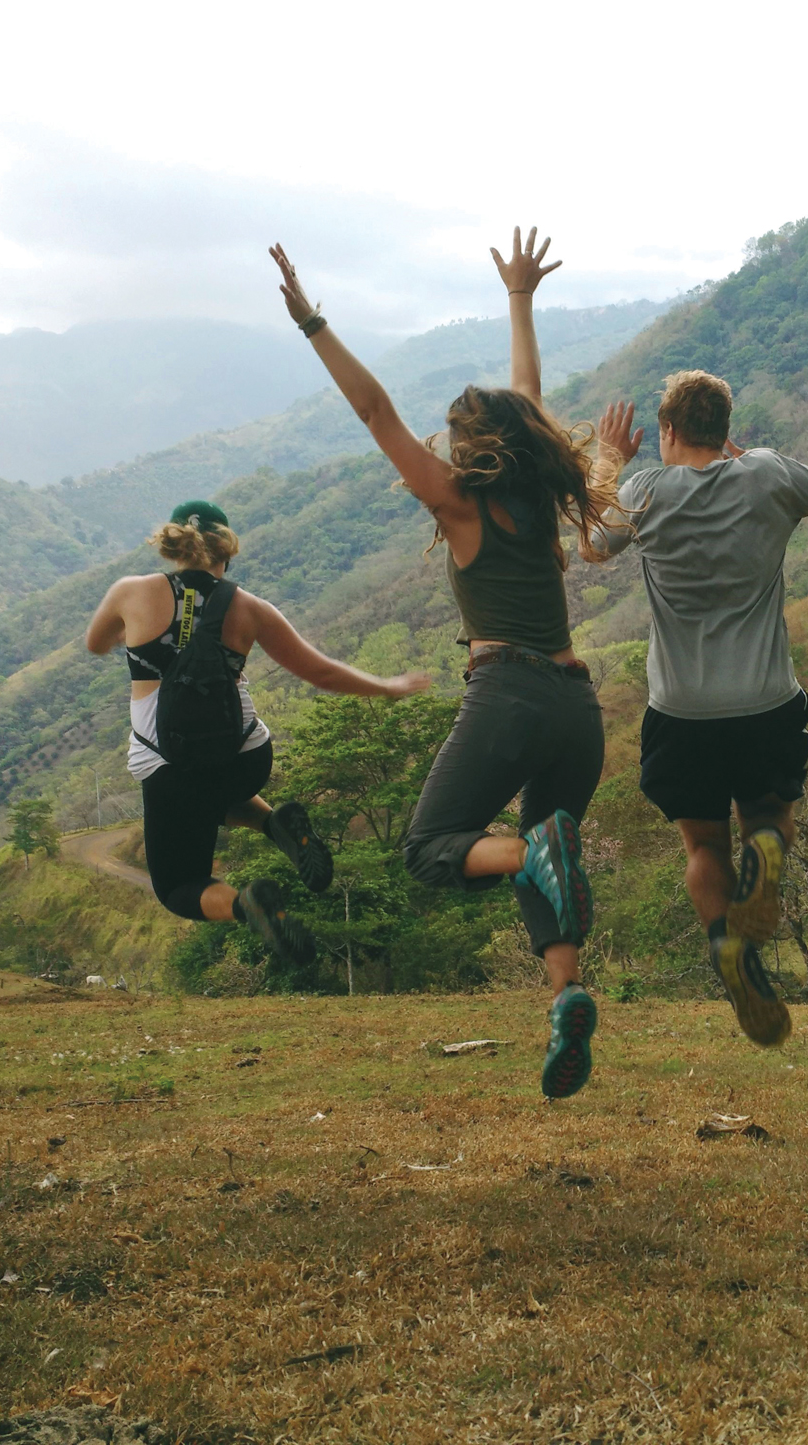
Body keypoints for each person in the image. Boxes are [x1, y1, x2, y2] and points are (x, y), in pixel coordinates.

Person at [269, 229, 615, 1099]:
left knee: (431, 849)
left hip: (508, 696)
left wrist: (313, 324)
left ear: (471, 446)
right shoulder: (539, 497)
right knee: (548, 872)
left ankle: (538, 851)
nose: (447, 441)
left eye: (457, 432)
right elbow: (528, 395)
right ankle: (567, 998)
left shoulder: (460, 505)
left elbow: (375, 412)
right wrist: (521, 300)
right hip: (578, 710)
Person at [586, 371, 808, 1047]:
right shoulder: (768, 475)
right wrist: (758, 463)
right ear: (725, 427)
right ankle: (766, 844)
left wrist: (608, 461)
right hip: (765, 700)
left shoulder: (645, 490)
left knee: (704, 843)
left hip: (681, 711)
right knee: (767, 814)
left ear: (669, 431)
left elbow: (591, 546)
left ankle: (728, 946)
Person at [84, 500, 431, 958]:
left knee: (179, 885)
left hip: (169, 768)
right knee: (213, 788)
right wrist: (388, 686)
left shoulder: (130, 592)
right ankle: (273, 821)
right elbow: (321, 673)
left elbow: (96, 644)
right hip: (245, 759)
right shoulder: (249, 608)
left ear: (172, 546)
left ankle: (250, 903)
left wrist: (137, 636)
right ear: (226, 551)